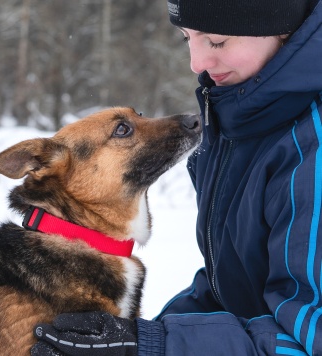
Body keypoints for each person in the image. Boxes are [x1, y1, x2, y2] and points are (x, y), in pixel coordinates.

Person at [31, 0, 322, 354]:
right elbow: (229, 288)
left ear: (280, 25)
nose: (196, 63)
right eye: (187, 39)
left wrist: (155, 345)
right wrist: (139, 335)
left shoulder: (311, 146)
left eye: (216, 40)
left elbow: (310, 339)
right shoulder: (239, 119)